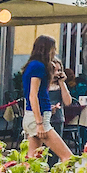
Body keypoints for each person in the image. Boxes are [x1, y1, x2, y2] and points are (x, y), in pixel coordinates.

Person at [22, 34, 72, 162]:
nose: (55, 52)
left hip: (31, 115)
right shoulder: (39, 66)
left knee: (31, 161)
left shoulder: (32, 65)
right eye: (53, 48)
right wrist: (39, 123)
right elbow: (33, 95)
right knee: (68, 157)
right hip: (39, 118)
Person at [48, 56, 73, 140]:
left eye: (59, 70)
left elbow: (68, 102)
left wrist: (62, 83)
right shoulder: (42, 84)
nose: (56, 73)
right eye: (54, 71)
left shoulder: (60, 86)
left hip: (57, 119)